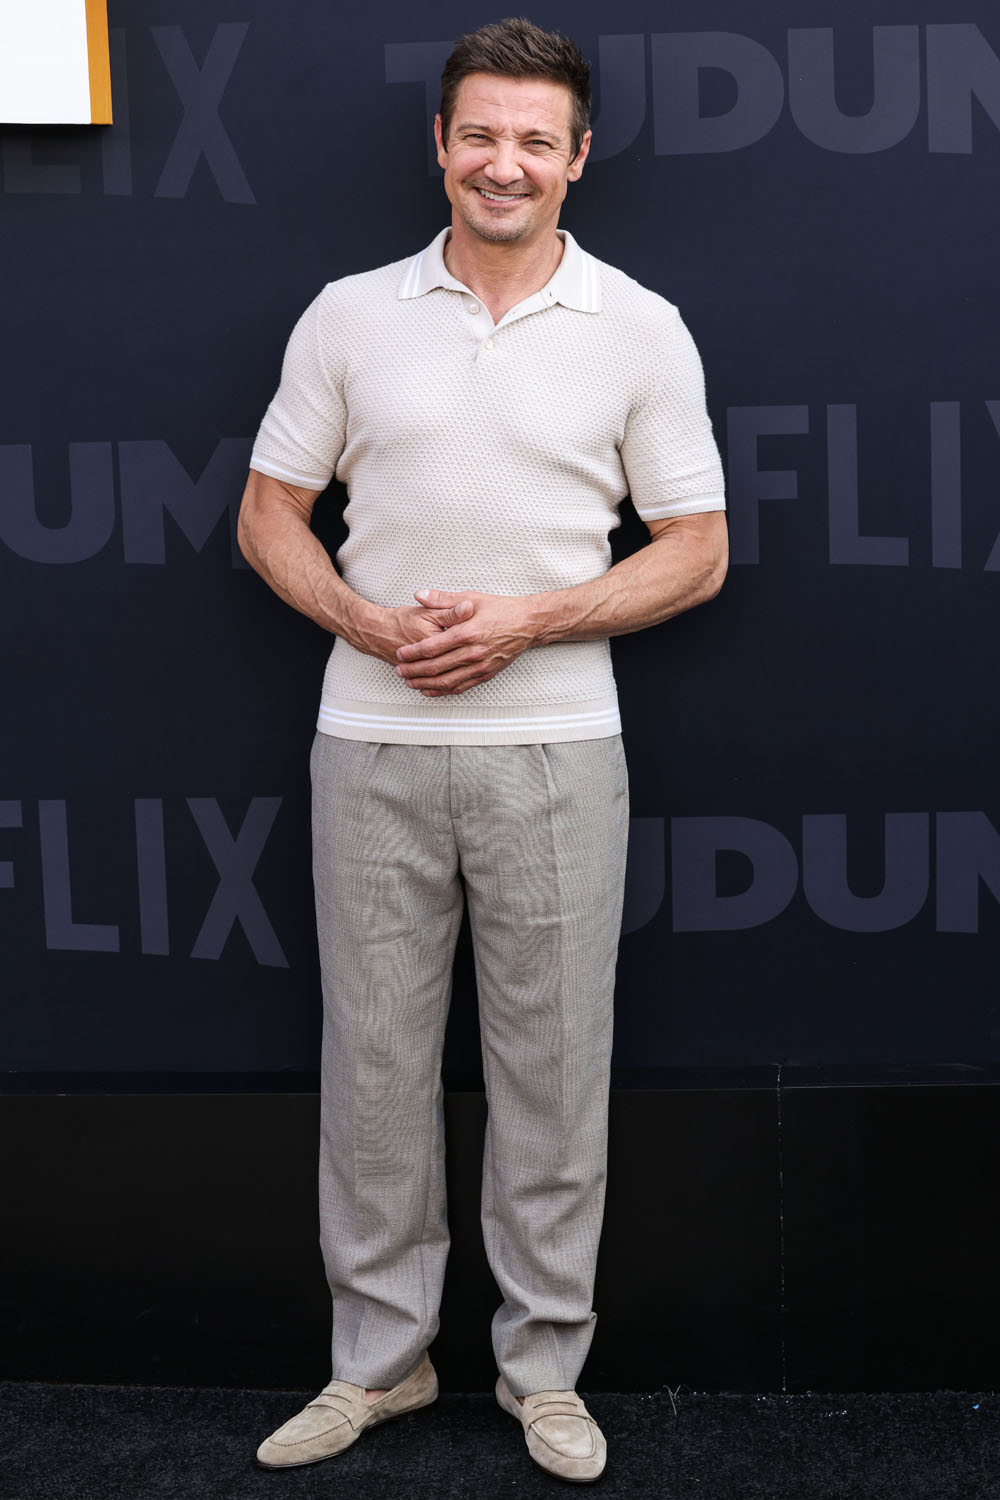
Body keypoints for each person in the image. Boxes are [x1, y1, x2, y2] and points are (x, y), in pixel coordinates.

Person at [238, 17, 727, 1484]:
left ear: (578, 159)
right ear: (440, 146)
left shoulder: (639, 325)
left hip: (558, 751)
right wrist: (367, 621)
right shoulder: (348, 316)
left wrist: (530, 619)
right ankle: (378, 1366)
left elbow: (697, 549)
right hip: (369, 742)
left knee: (554, 1072)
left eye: (534, 139)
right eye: (479, 135)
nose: (502, 162)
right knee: (374, 1070)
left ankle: (544, 1373)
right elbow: (268, 513)